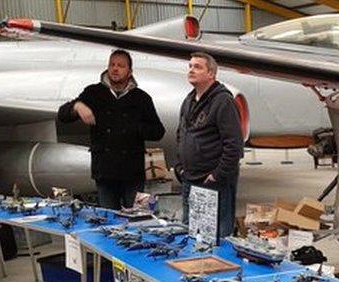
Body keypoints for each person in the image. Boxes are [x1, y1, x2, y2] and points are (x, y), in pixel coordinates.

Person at [58, 49, 165, 210]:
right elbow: (63, 115)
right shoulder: (94, 92)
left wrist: (134, 128)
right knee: (107, 220)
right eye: (112, 64)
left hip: (132, 172)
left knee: (136, 219)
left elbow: (158, 131)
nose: (115, 69)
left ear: (130, 72)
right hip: (105, 171)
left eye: (120, 66)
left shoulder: (141, 98)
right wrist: (77, 106)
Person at [176, 52, 244, 238]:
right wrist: (180, 167)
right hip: (190, 179)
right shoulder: (188, 101)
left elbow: (234, 144)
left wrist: (217, 175)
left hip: (213, 182)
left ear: (211, 74)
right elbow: (181, 135)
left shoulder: (223, 101)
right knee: (191, 233)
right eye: (190, 66)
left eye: (197, 67)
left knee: (217, 237)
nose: (191, 70)